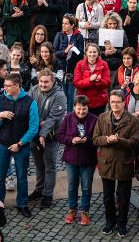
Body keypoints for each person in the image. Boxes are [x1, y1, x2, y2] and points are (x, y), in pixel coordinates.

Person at [92, 89, 139, 237]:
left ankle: (122, 223)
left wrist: (119, 141)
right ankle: (110, 221)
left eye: (118, 102)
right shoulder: (102, 117)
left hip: (124, 163)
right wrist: (107, 139)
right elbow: (95, 139)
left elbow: (135, 142)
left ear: (124, 103)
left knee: (123, 196)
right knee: (107, 196)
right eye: (112, 102)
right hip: (106, 162)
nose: (115, 105)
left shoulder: (133, 120)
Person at [0, 74, 39, 217]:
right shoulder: (0, 99)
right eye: (4, 85)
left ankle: (22, 204)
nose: (4, 88)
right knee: (0, 176)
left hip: (21, 145)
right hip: (2, 142)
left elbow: (34, 128)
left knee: (22, 176)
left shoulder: (30, 102)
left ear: (17, 85)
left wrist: (20, 144)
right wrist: (0, 116)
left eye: (7, 86)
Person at [27, 69, 66, 209]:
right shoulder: (34, 90)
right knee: (38, 165)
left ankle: (48, 194)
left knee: (49, 166)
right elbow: (28, 108)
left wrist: (43, 133)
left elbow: (53, 119)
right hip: (34, 135)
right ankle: (39, 190)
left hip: (51, 137)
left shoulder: (59, 95)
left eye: (46, 82)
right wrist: (37, 123)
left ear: (53, 81)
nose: (43, 84)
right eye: (41, 81)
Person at [57, 94, 98, 226]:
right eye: (79, 109)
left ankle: (85, 211)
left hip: (88, 160)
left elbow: (97, 139)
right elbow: (61, 136)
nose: (81, 112)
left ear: (88, 108)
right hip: (71, 159)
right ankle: (72, 209)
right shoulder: (68, 118)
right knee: (72, 186)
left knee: (86, 187)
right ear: (74, 107)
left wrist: (88, 140)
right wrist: (71, 140)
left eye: (84, 109)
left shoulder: (94, 120)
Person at [53, 13, 85, 111]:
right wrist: (65, 52)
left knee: (71, 95)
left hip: (73, 70)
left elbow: (81, 54)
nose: (63, 25)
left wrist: (73, 50)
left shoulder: (79, 36)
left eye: (66, 24)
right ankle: (60, 113)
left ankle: (70, 114)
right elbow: (54, 53)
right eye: (63, 23)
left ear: (72, 25)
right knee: (61, 94)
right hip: (61, 69)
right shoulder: (59, 35)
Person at [73, 42, 111, 115]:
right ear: (86, 53)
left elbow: (108, 82)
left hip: (99, 101)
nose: (92, 54)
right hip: (83, 102)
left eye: (94, 52)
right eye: (90, 52)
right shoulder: (80, 64)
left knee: (97, 124)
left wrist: (99, 81)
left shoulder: (104, 64)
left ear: (98, 53)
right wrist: (89, 80)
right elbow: (76, 82)